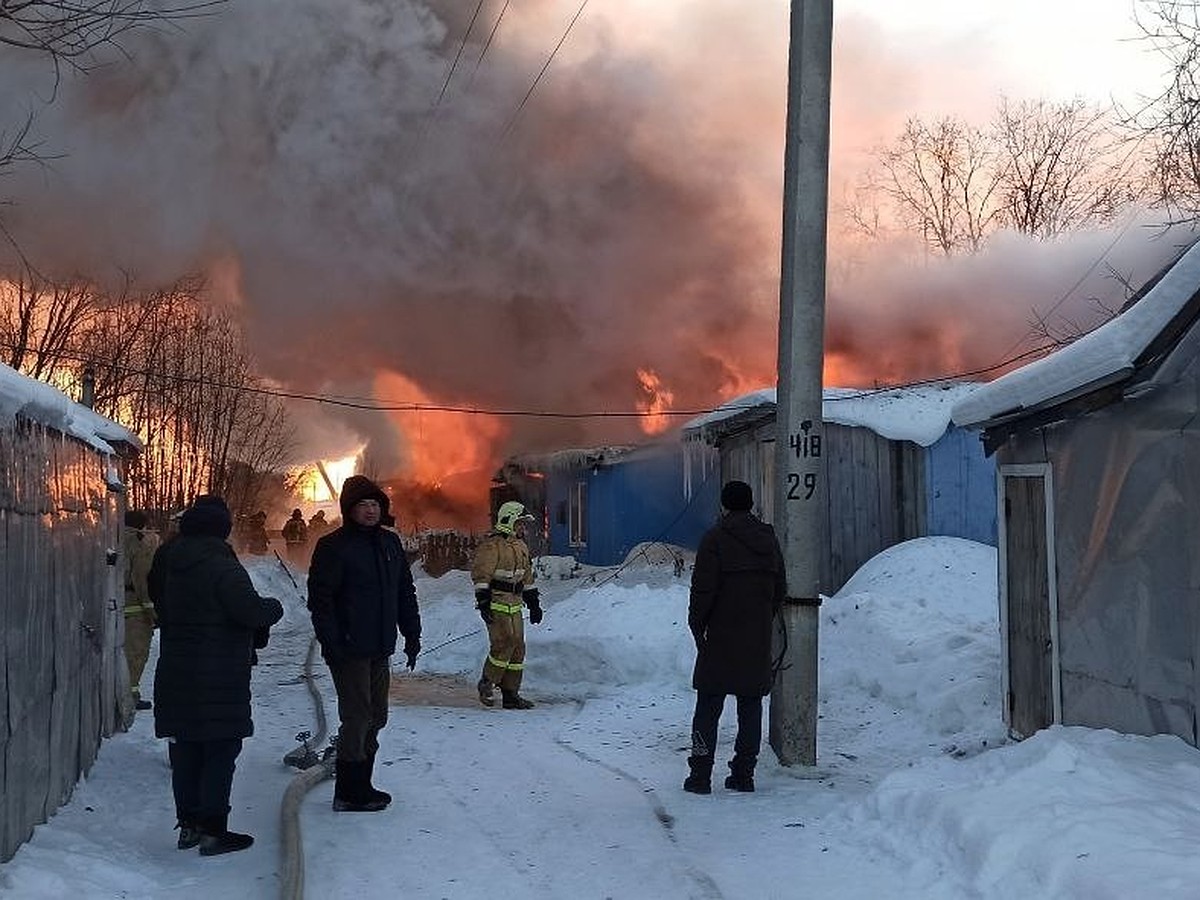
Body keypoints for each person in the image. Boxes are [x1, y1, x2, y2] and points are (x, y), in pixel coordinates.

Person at [149, 494, 284, 855]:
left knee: (186, 750)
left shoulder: (167, 559)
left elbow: (158, 601)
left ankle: (189, 826)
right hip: (218, 672)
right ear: (223, 528)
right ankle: (213, 830)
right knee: (220, 749)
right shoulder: (221, 566)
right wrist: (274, 607)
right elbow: (249, 610)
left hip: (177, 668)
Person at [307, 475, 422, 813]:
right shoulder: (334, 546)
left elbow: (405, 592)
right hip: (348, 648)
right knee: (357, 716)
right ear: (349, 510)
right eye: (363, 505)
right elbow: (321, 601)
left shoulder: (389, 544)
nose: (370, 511)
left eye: (375, 504)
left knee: (378, 716)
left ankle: (363, 782)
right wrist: (332, 643)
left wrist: (412, 633)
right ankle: (348, 790)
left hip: (379, 645)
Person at [684, 480, 785, 795]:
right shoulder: (768, 541)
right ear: (751, 504)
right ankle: (744, 774)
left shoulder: (715, 539)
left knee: (708, 703)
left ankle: (700, 776)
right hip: (756, 637)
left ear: (724, 505)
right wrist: (761, 620)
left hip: (721, 636)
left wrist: (697, 625)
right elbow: (779, 589)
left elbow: (703, 590)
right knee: (751, 704)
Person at [472, 500, 542, 710]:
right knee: (504, 644)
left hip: (515, 604)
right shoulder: (492, 546)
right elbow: (481, 576)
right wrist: (484, 603)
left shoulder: (521, 546)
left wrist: (534, 603)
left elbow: (526, 577)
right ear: (508, 521)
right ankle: (487, 681)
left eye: (523, 524)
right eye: (519, 523)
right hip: (497, 602)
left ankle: (511, 694)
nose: (522, 528)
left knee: (518, 648)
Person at [123, 509, 160, 713]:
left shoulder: (113, 537)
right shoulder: (139, 542)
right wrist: (151, 610)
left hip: (116, 604)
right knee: (135, 655)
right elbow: (141, 579)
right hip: (134, 608)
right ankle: (130, 697)